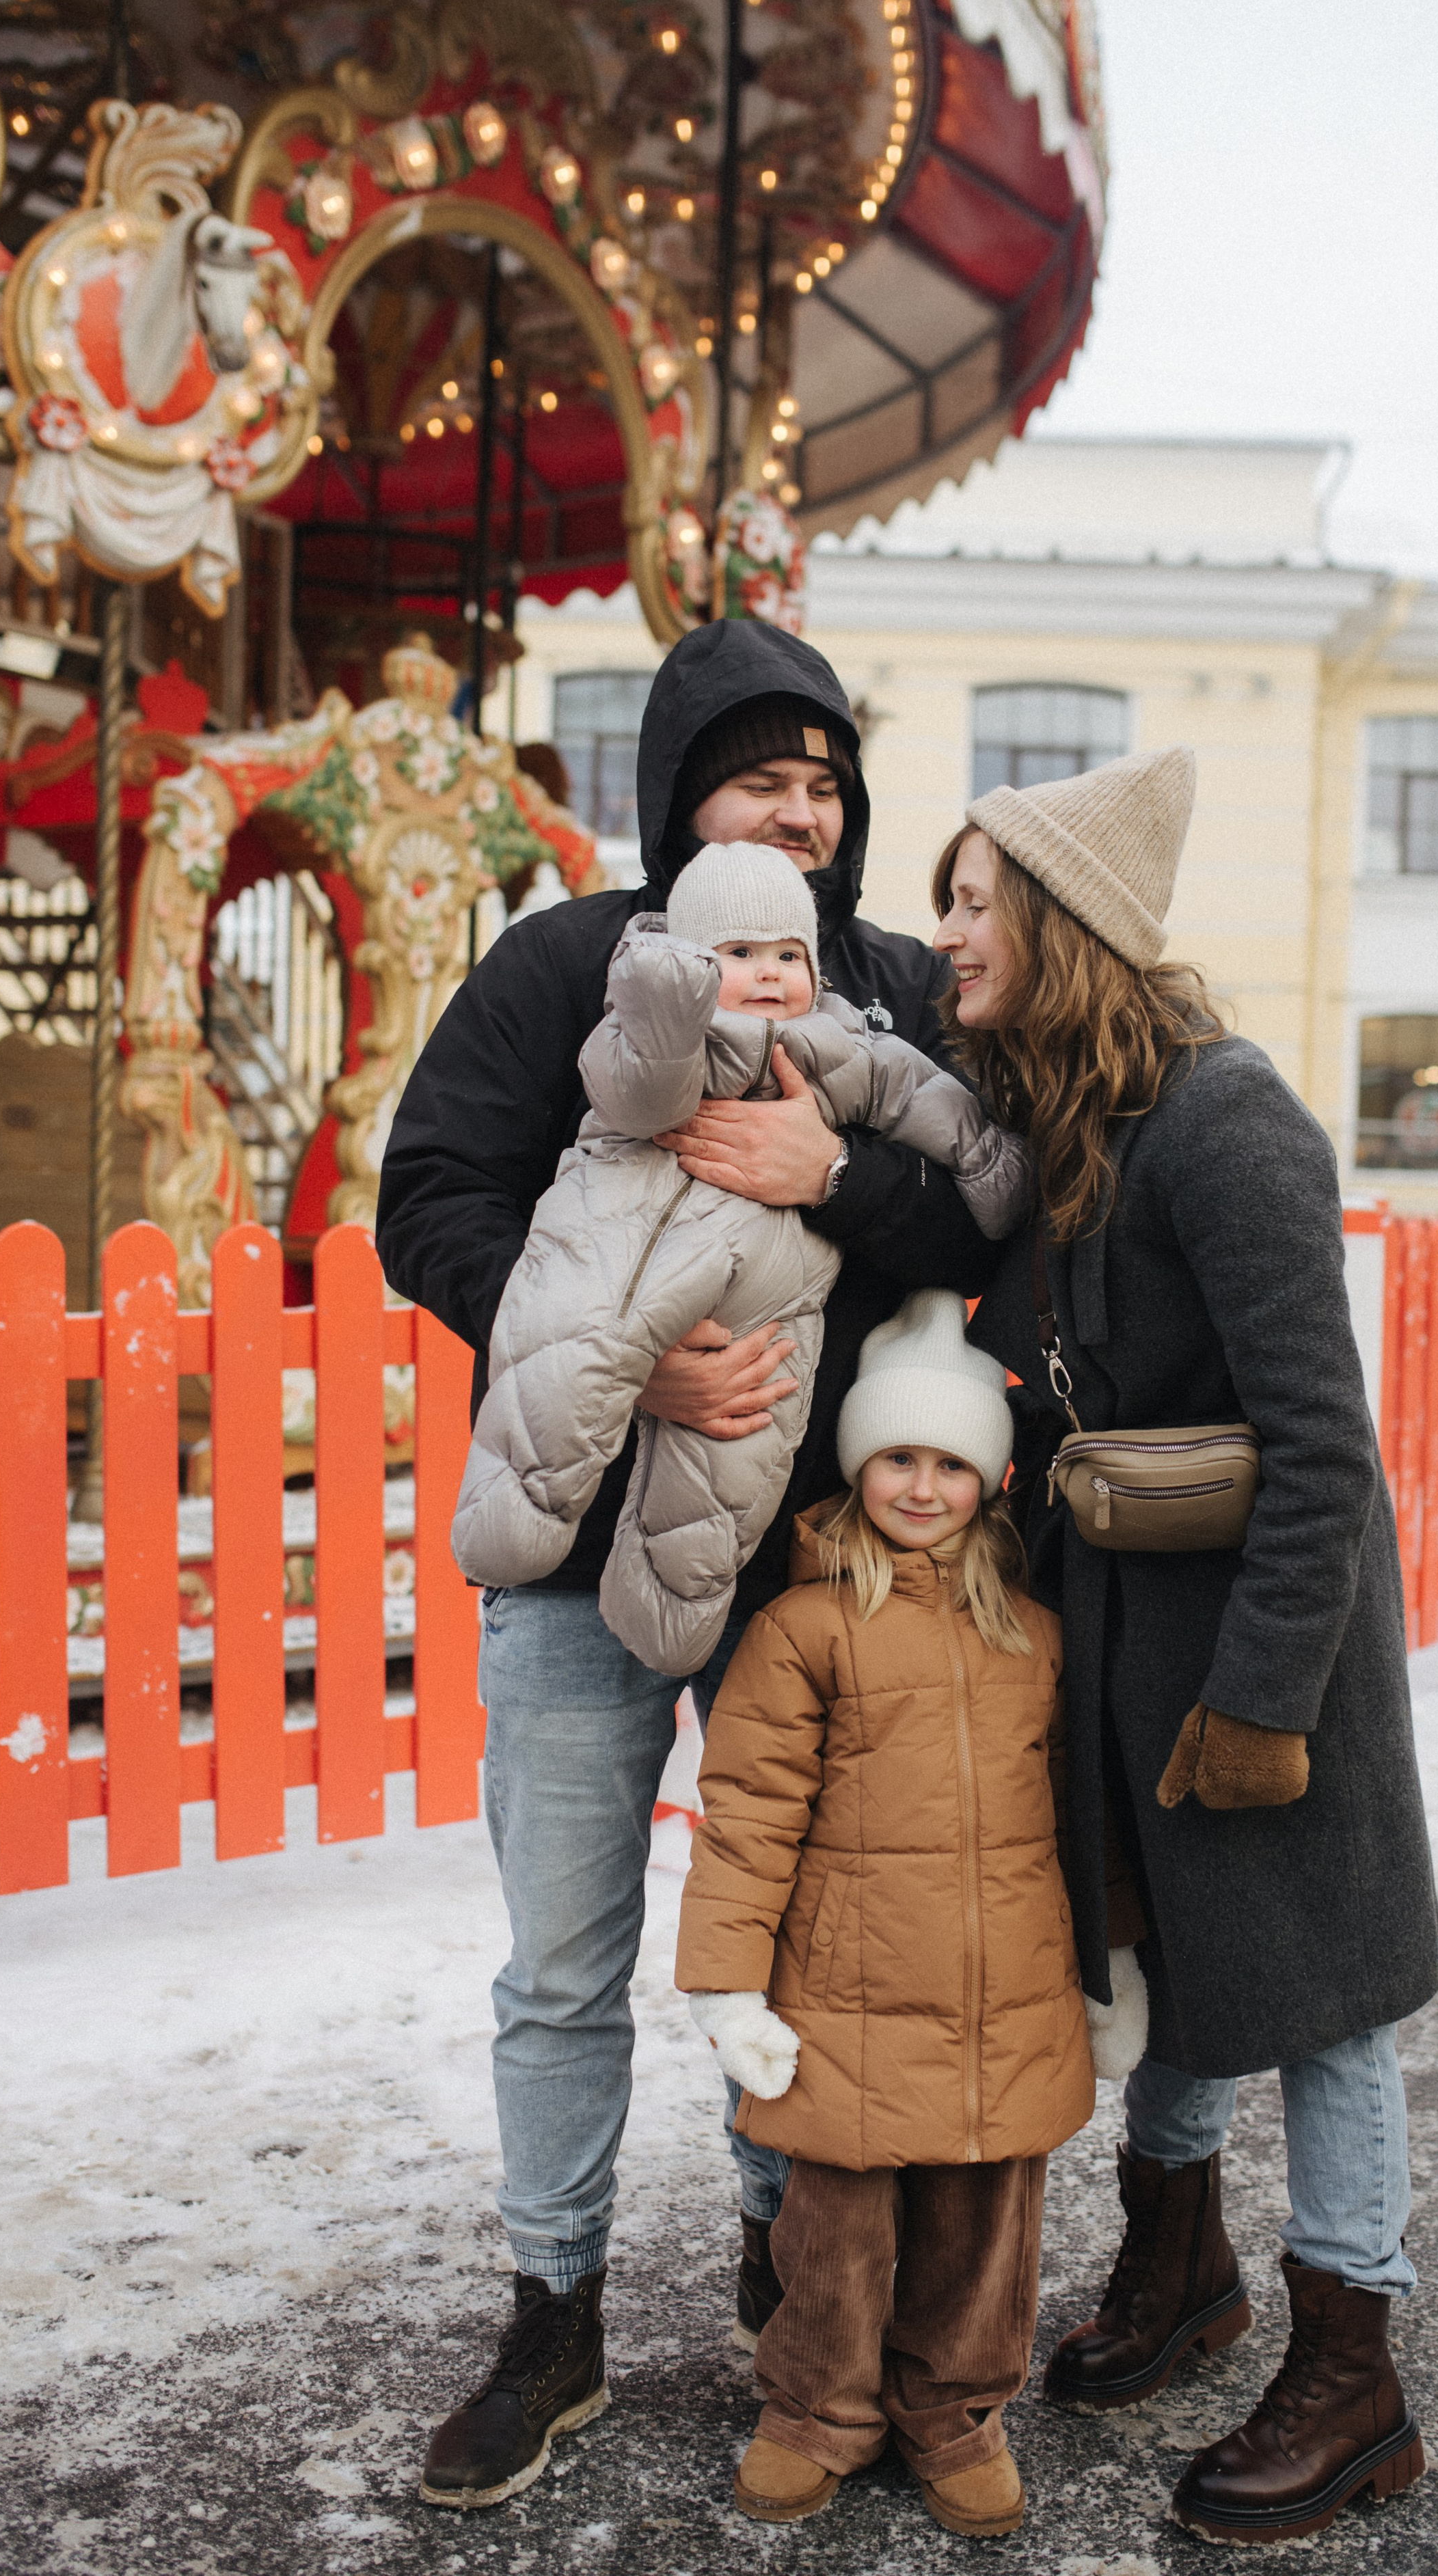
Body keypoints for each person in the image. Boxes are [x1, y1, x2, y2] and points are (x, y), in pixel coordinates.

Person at [375, 619, 1001, 2510]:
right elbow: (434, 1199)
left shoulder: (881, 985)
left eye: (824, 783)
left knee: (796, 1944)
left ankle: (791, 2277)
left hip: (808, 1560)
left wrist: (841, 1180)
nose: (799, 808)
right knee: (563, 1960)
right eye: (759, 778)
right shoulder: (568, 964)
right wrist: (631, 1363)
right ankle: (551, 2308)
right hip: (577, 1560)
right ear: (680, 801)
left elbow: (993, 1194)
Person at [934, 749, 1438, 2549]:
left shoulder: (1230, 1124)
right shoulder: (1079, 1126)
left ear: (1064, 922)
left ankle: (1352, 2363)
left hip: (1264, 1664)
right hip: (1137, 1649)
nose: (948, 932)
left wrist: (1260, 1707)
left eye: (976, 897)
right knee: (1184, 1973)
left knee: (1322, 2006)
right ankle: (1184, 2264)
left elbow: (1325, 1448)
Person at [675, 1291, 1147, 2541]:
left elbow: (1081, 1814)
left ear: (992, 1480)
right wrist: (730, 1986)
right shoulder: (801, 1630)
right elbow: (748, 1814)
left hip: (1009, 1992)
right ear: (858, 1463)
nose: (923, 1485)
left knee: (983, 2229)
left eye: (951, 1461)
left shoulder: (1034, 1636)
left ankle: (958, 2414)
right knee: (834, 2226)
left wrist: (1112, 1966)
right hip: (849, 1995)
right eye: (899, 1456)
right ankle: (815, 2411)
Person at [450, 840, 1030, 1675]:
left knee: (732, 1454)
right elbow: (638, 1088)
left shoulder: (837, 1041)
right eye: (738, 955)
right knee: (564, 1360)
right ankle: (509, 1525)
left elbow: (921, 1097)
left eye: (788, 955)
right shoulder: (651, 1032)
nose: (767, 974)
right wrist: (664, 1002)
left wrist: (991, 1169)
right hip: (613, 1245)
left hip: (760, 1284)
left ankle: (671, 1611)